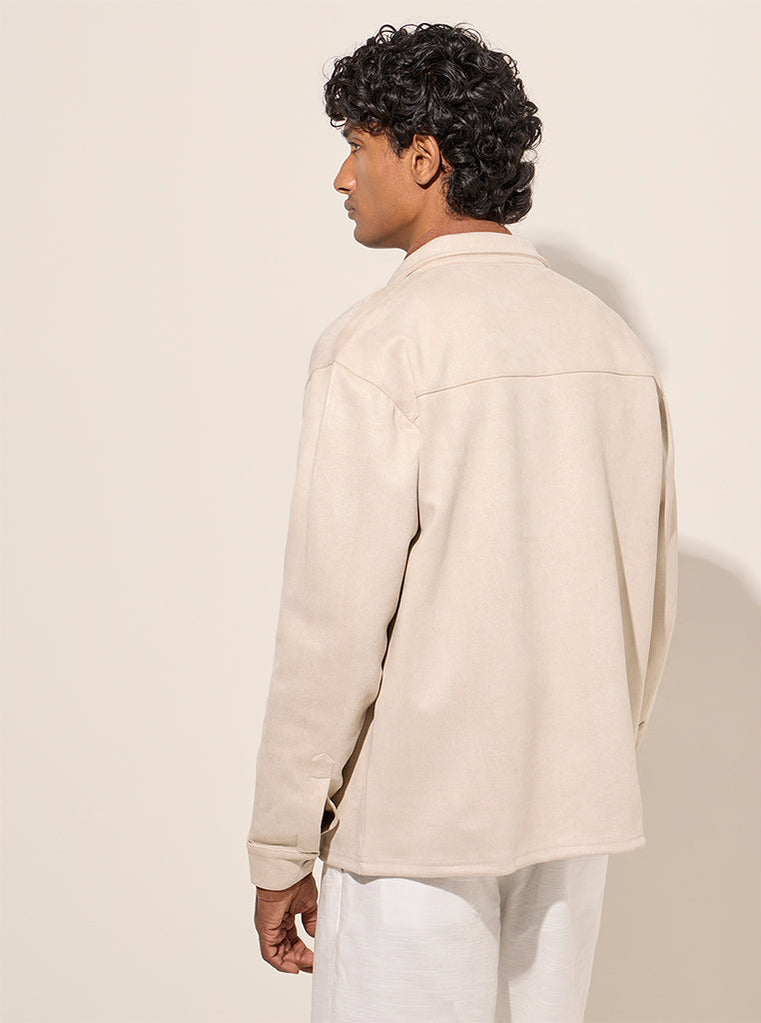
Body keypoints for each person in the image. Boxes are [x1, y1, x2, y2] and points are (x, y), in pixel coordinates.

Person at [246, 21, 678, 1023]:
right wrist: (591, 752)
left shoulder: (378, 346)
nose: (341, 177)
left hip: (415, 828)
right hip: (573, 817)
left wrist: (280, 844)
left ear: (421, 156)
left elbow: (330, 628)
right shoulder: (610, 344)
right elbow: (647, 606)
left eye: (357, 145)